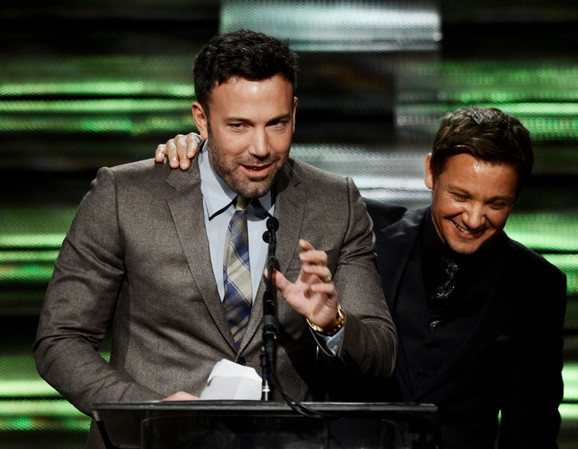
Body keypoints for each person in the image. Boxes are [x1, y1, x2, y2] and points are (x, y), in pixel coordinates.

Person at [34, 30, 397, 449]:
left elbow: (381, 355)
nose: (261, 147)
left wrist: (332, 323)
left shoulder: (335, 202)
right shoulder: (123, 196)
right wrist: (148, 410)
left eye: (277, 123)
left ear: (295, 113)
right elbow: (60, 341)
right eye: (239, 126)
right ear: (202, 119)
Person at [157, 106, 567, 449]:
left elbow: (531, 427)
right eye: (460, 196)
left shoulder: (538, 286)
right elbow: (262, 178)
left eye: (496, 204)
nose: (475, 218)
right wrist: (200, 153)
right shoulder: (361, 226)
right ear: (430, 172)